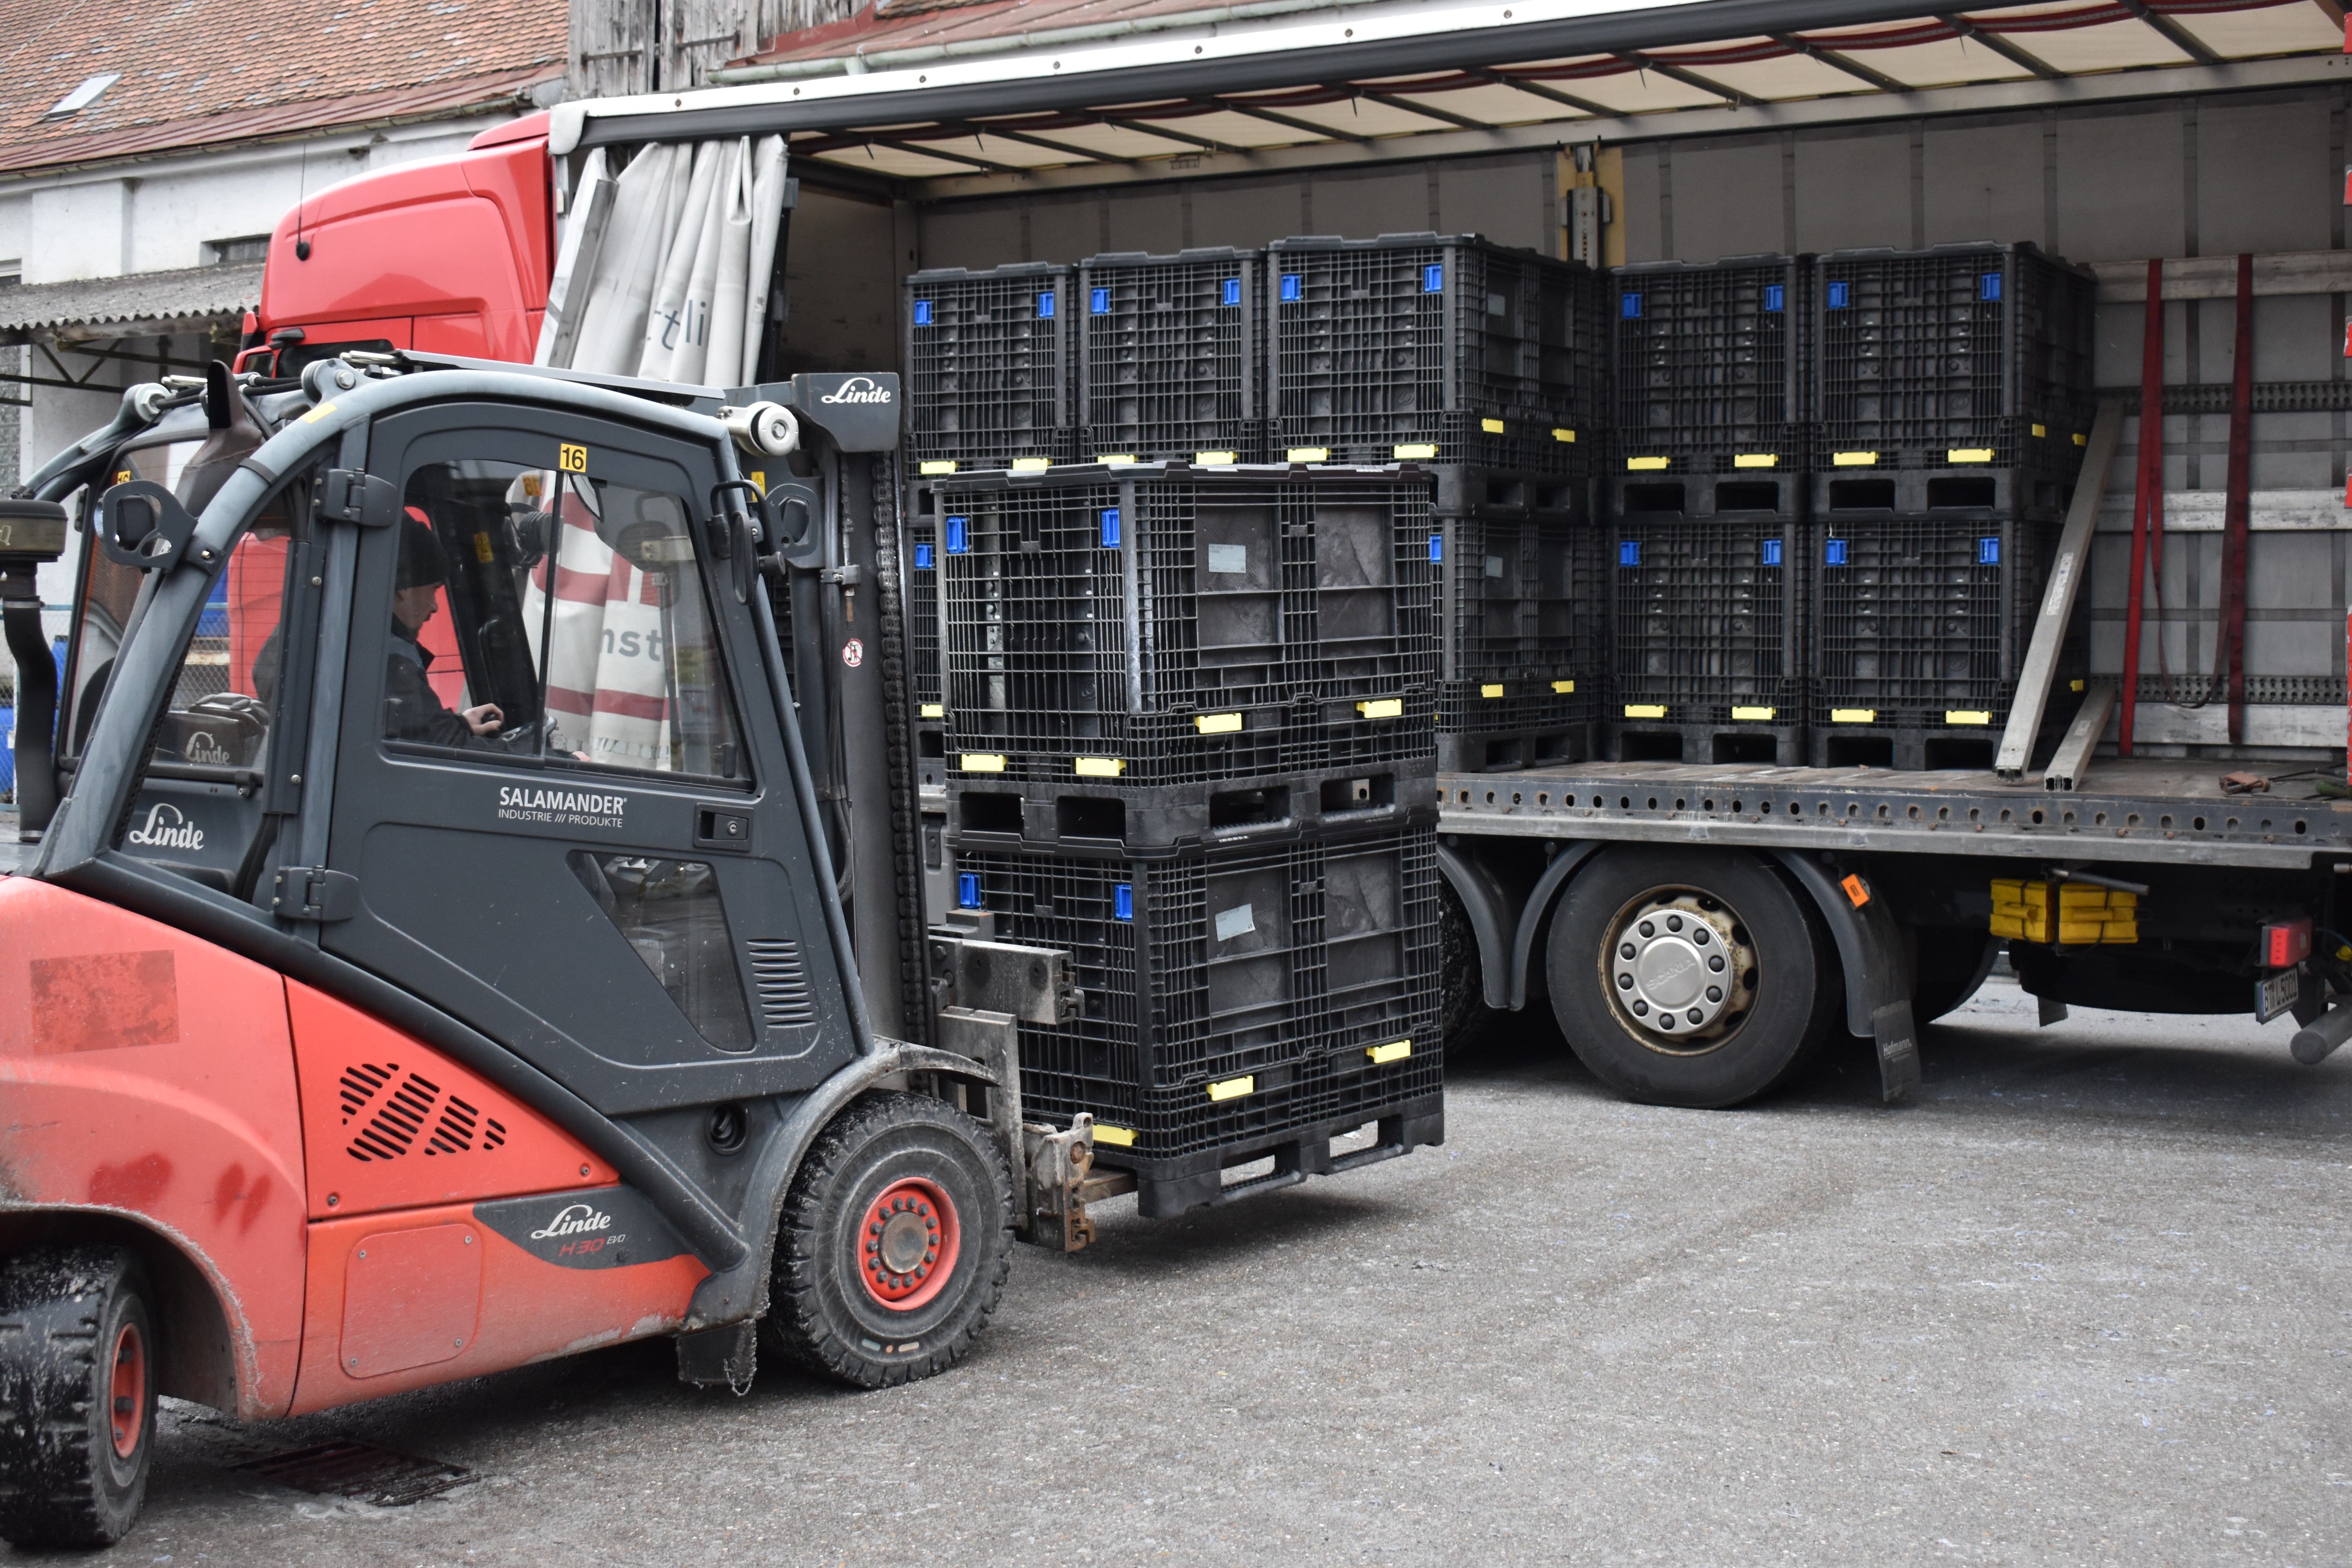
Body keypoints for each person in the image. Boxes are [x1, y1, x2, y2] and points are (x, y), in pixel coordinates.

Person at [384, 512, 508, 747]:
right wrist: (562, 763)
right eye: (433, 588)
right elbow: (448, 749)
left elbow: (420, 732)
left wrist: (459, 725)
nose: (435, 606)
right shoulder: (391, 663)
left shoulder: (378, 646)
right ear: (403, 588)